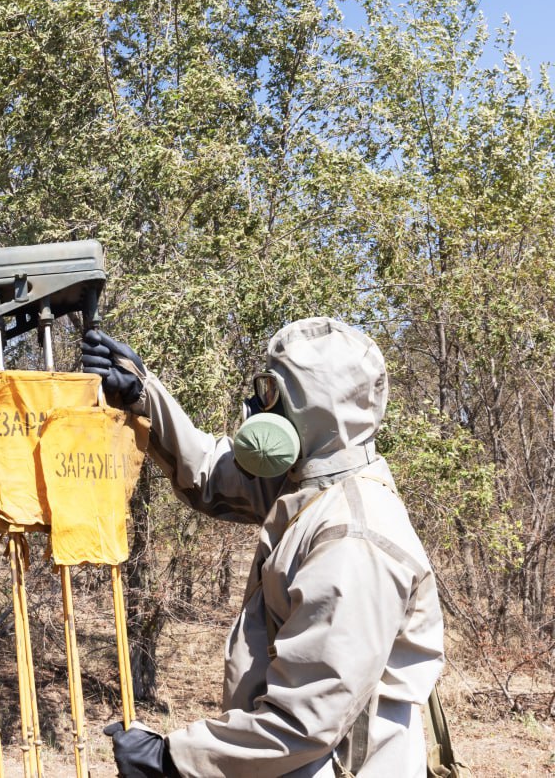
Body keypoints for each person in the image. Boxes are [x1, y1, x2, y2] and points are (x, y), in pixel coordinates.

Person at [82, 317, 444, 777]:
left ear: (308, 407)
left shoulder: (351, 537)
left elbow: (302, 722)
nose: (256, 404)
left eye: (270, 392)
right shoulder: (311, 487)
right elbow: (212, 474)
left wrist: (169, 759)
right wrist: (141, 394)